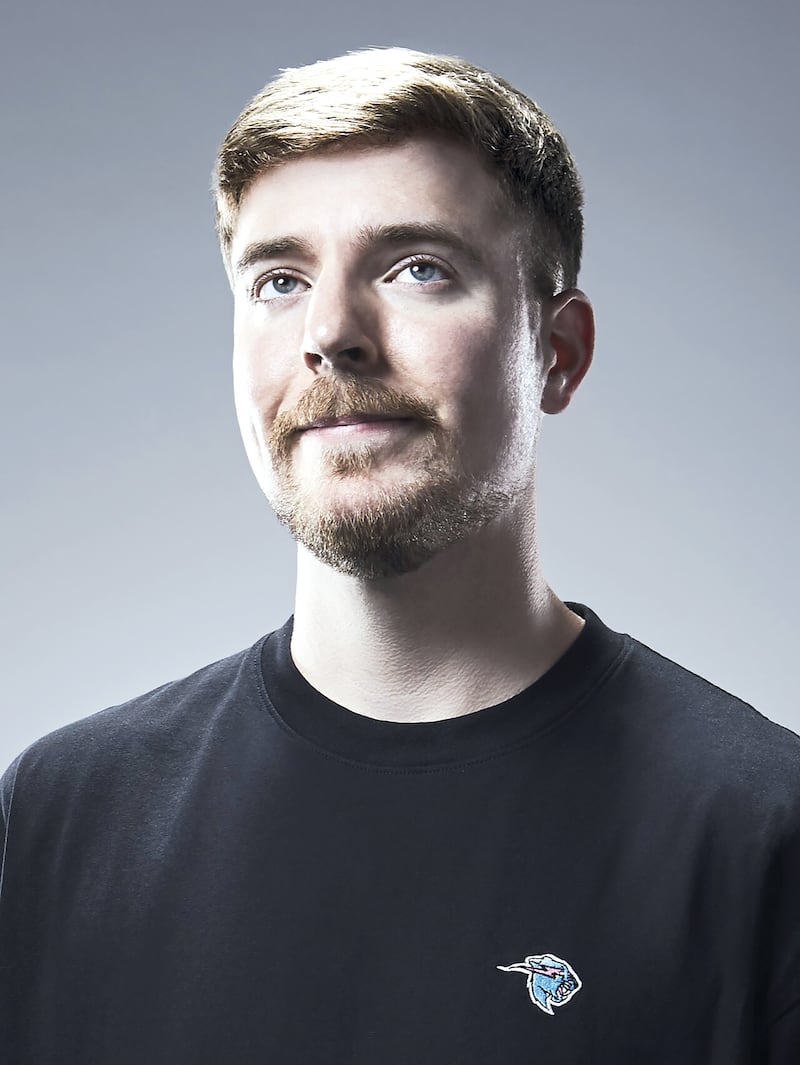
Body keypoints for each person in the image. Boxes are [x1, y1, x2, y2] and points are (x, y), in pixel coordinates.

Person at [1, 46, 798, 1064]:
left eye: (417, 268)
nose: (331, 332)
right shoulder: (58, 819)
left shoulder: (761, 839)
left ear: (556, 353)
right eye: (279, 280)